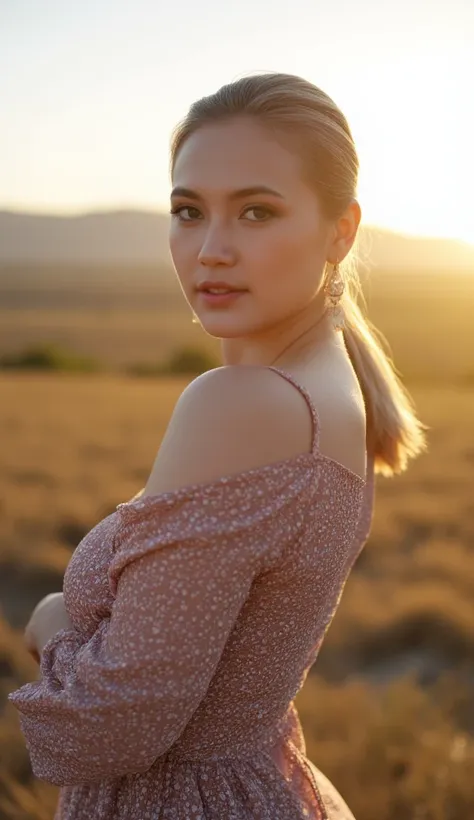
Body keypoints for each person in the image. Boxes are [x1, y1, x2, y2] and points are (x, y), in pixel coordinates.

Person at [8, 71, 427, 819]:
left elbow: (112, 724)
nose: (211, 250)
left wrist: (50, 629)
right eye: (188, 211)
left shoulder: (240, 402)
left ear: (342, 230)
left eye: (257, 212)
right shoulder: (336, 380)